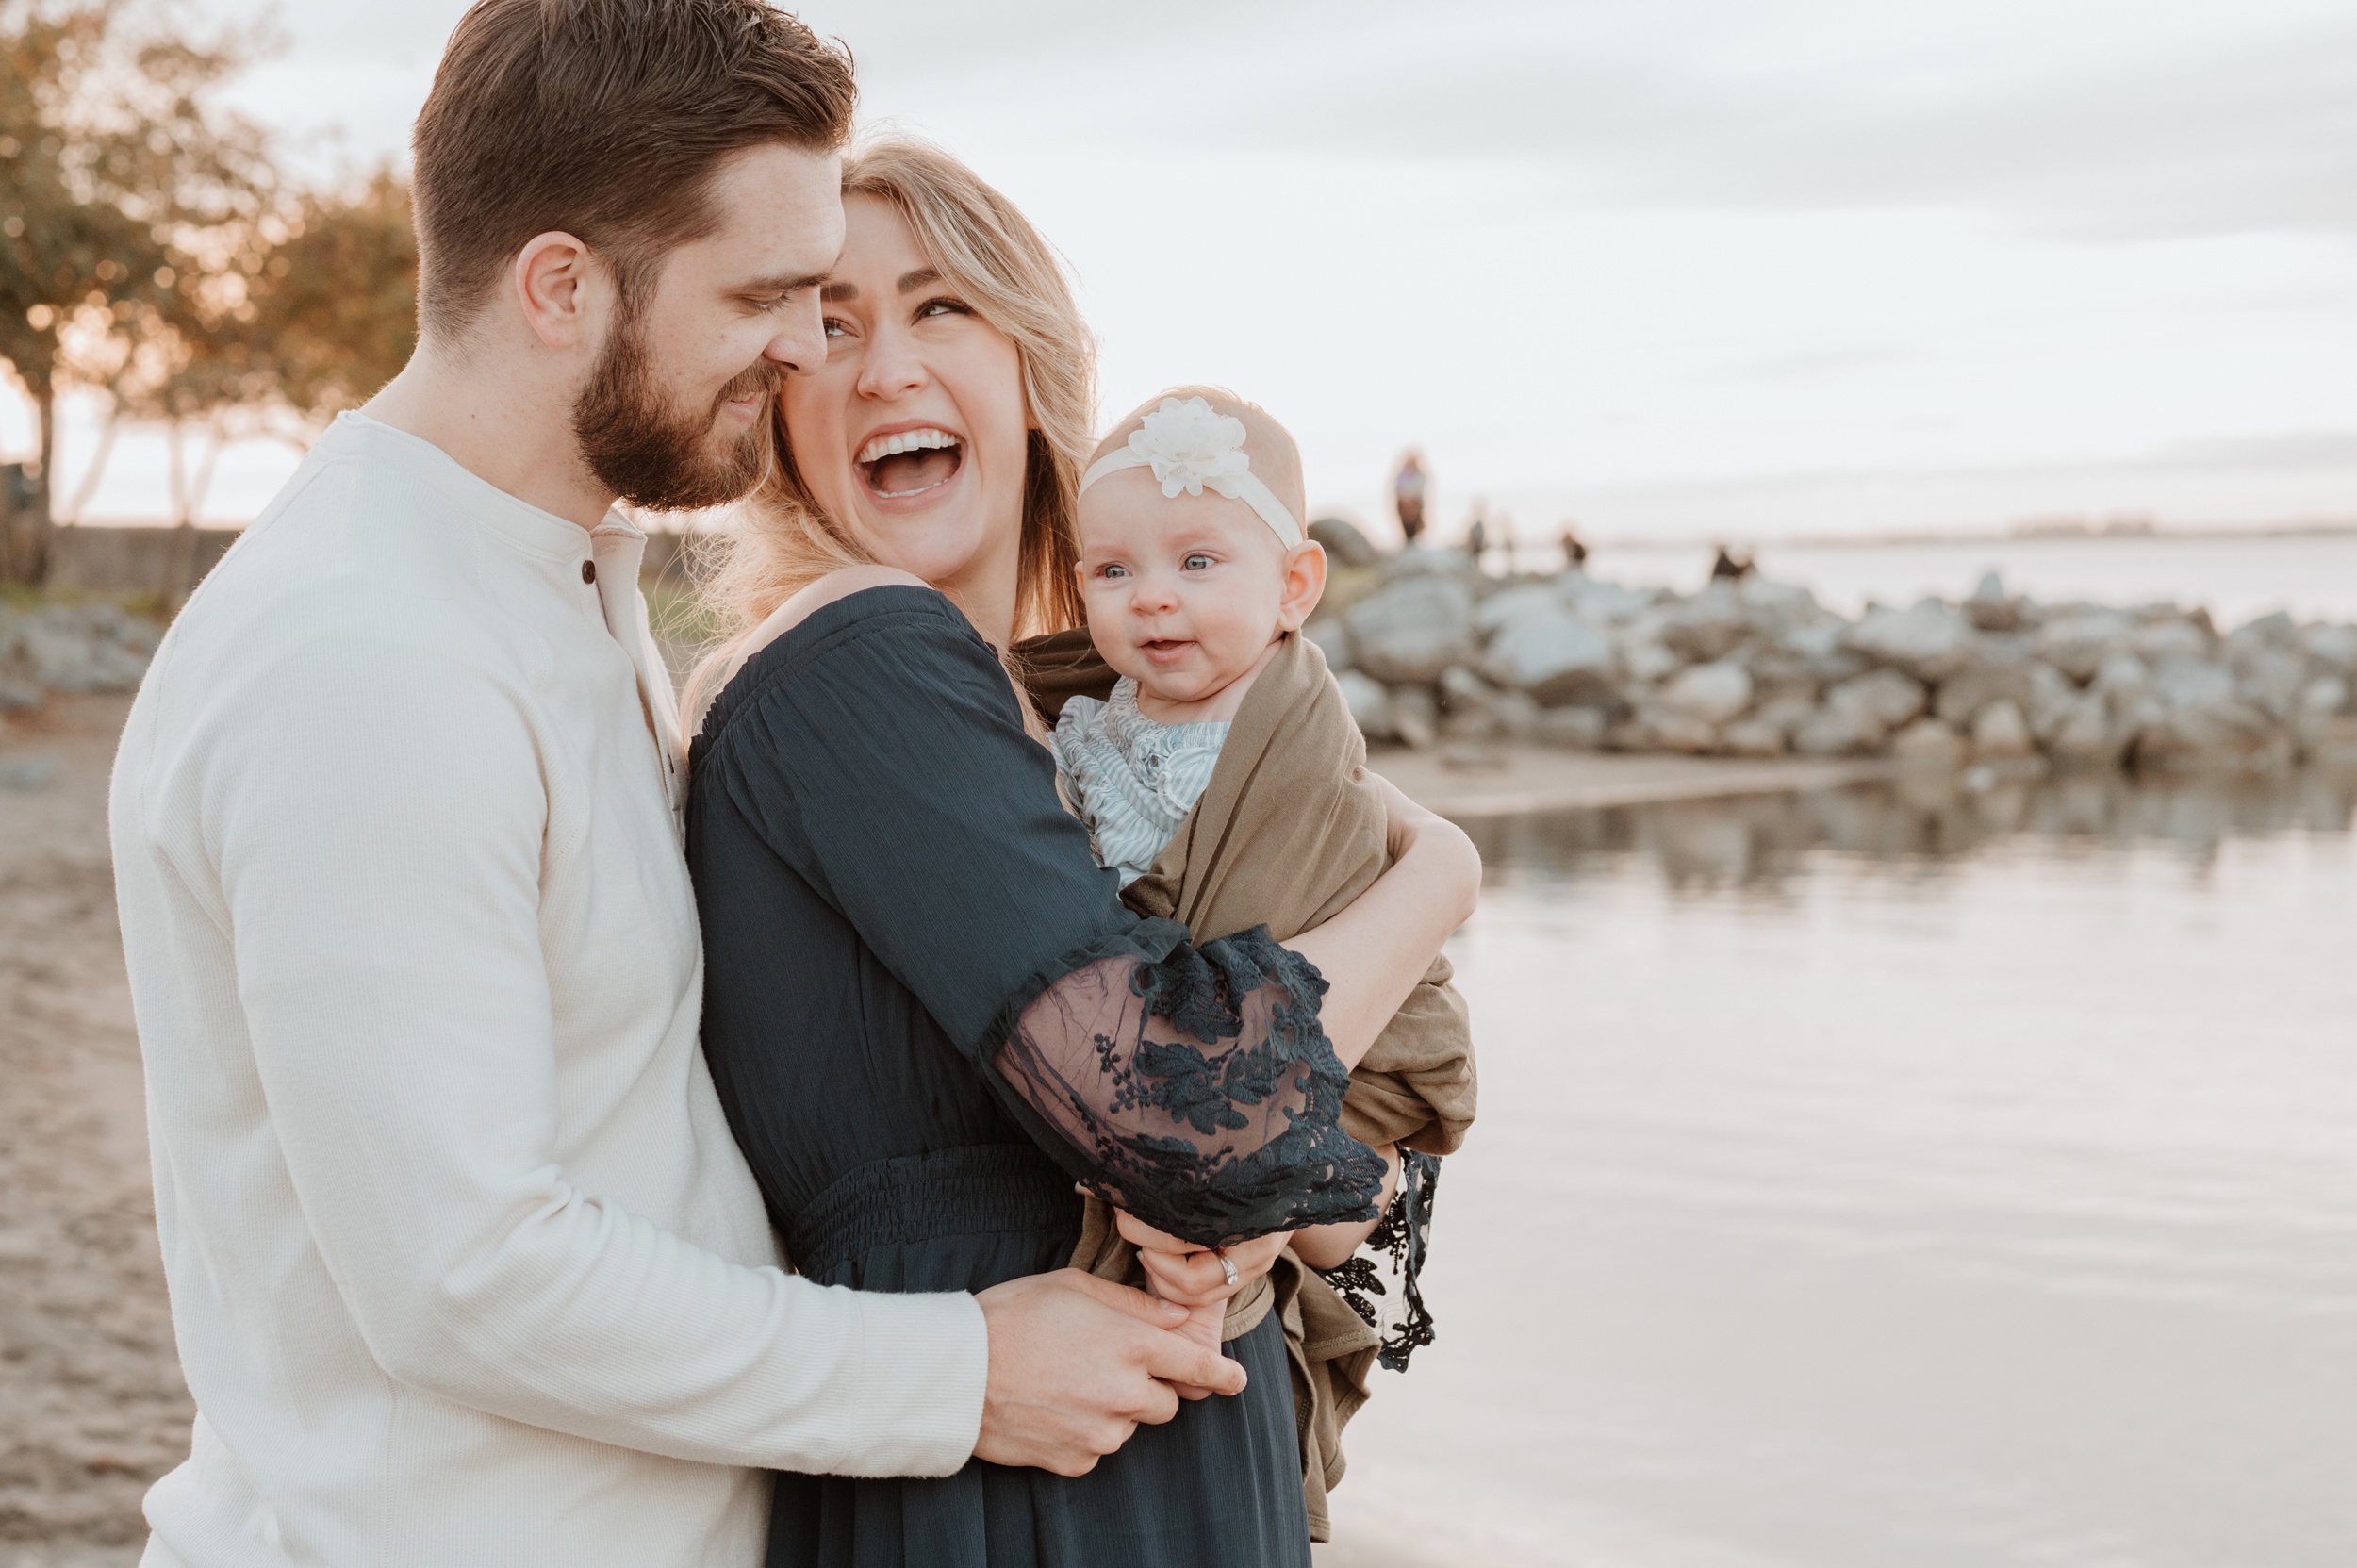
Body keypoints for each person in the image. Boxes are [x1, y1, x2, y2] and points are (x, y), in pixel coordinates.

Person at [106, 8, 1248, 1567]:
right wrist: (963, 1372)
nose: (803, 349)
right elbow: (465, 1270)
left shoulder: (550, 592)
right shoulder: (362, 650)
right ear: (564, 288)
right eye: (767, 296)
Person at [684, 142, 1481, 1567]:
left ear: (1032, 369)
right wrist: (1441, 880)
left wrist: (1279, 1208)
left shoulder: (1082, 721)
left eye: (939, 310)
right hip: (1000, 1490)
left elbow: (1340, 1195)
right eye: (832, 324)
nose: (881, 369)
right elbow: (1191, 1120)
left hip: (1151, 1451)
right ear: (779, 404)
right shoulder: (858, 658)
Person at [1048, 388, 1476, 1538]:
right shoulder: (1083, 728)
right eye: (1114, 572)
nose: (1154, 599)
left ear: (1292, 588)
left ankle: (1222, 1261)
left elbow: (1303, 889)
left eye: (1197, 561)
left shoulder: (1293, 735)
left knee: (1241, 1212)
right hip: (1164, 1067)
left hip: (1287, 1048)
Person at [1392, 449, 1427, 542]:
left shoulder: (1419, 475)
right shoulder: (1403, 474)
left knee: (1416, 523)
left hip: (1414, 502)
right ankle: (1409, 540)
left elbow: (1419, 488)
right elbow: (1399, 489)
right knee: (1407, 524)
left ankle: (1413, 540)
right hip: (1405, 503)